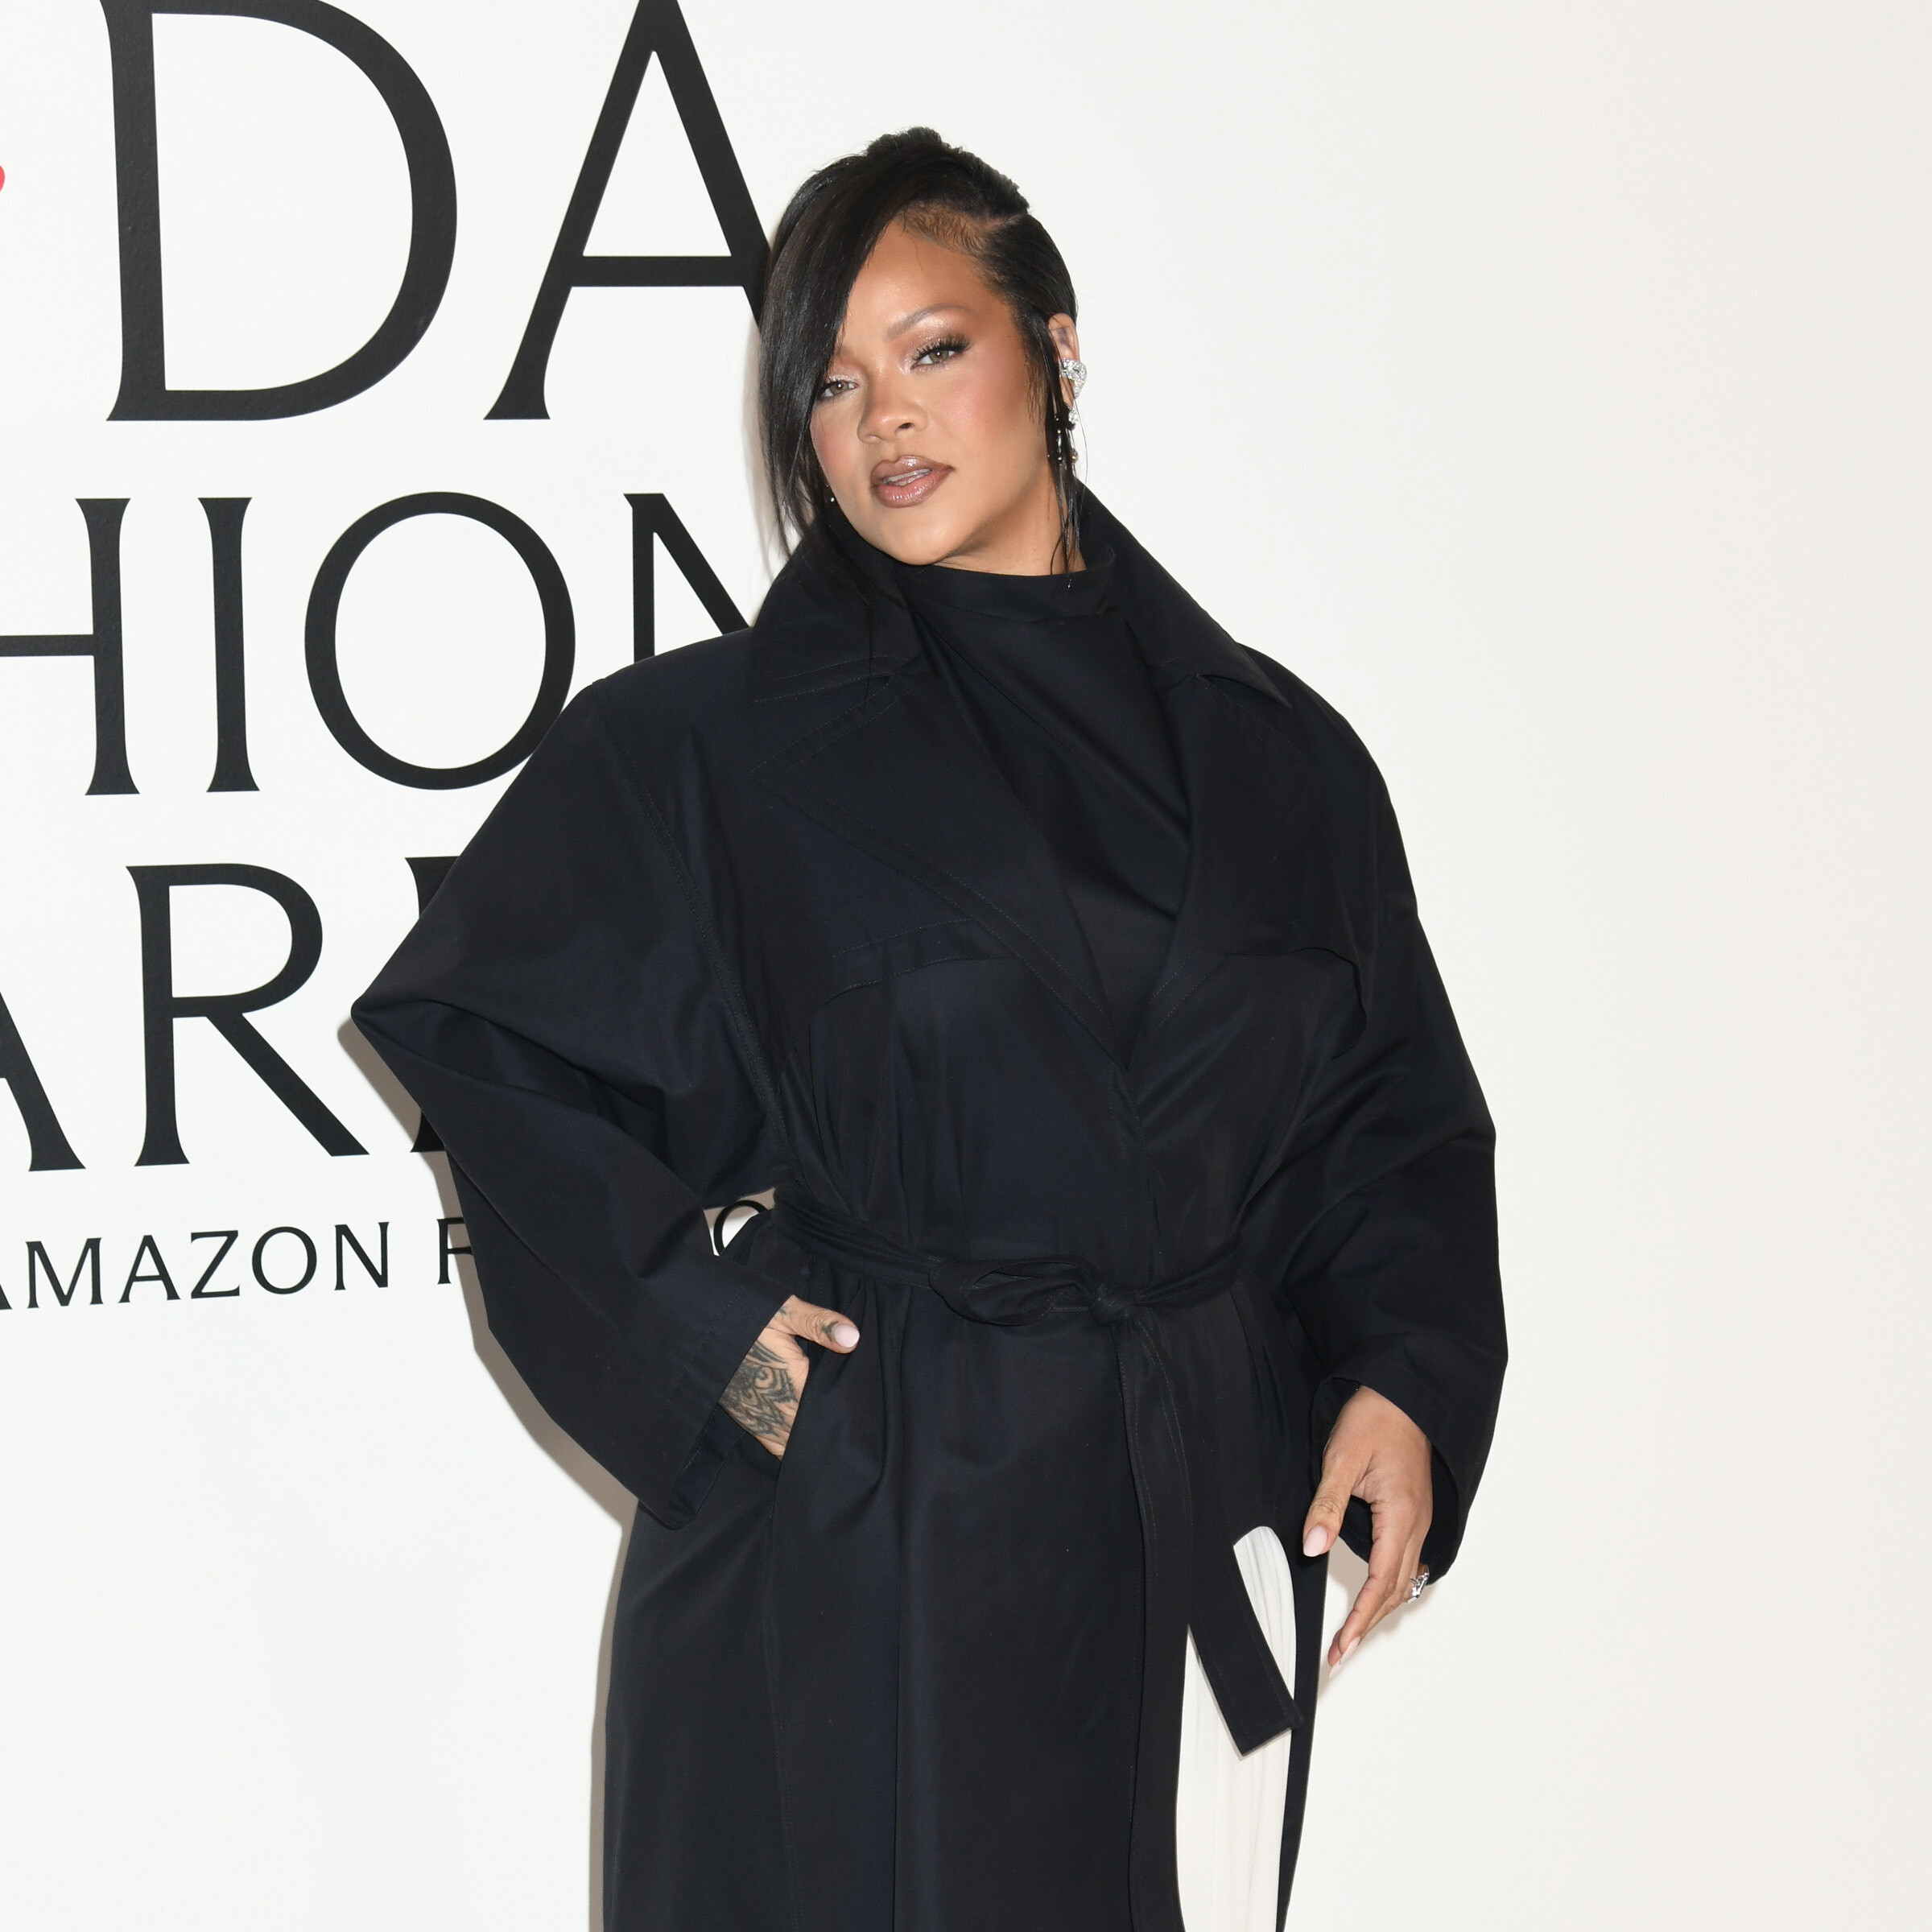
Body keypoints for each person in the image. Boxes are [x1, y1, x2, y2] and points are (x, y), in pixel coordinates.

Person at [353, 127, 1505, 1932]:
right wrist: (704, 1340)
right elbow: (491, 1044)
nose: (882, 416)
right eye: (829, 383)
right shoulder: (710, 748)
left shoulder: (1281, 754)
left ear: (1057, 346)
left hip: (1193, 1501)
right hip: (869, 1529)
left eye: (933, 347)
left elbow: (1390, 1114)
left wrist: (1404, 1375)